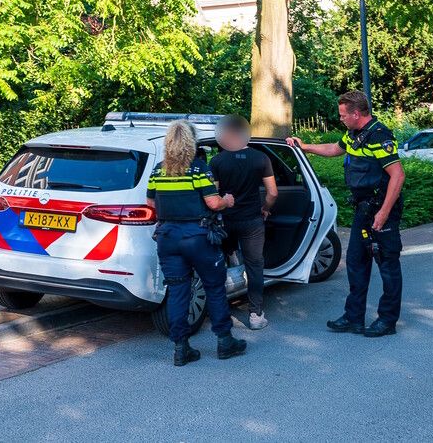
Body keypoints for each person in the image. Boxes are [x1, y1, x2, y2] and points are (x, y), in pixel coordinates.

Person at [286, 90, 406, 337]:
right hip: (363, 209)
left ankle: (387, 320)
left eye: (343, 115)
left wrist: (383, 213)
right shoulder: (354, 134)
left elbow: (398, 175)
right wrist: (304, 146)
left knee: (388, 266)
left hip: (381, 210)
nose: (340, 119)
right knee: (355, 263)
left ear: (356, 113)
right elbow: (334, 148)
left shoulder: (378, 135)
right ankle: (354, 317)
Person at [147, 120, 247, 365]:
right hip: (198, 237)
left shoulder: (158, 171)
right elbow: (213, 203)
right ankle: (225, 341)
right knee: (214, 288)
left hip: (168, 238)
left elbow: (151, 204)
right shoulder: (198, 169)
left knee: (178, 290)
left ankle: (181, 348)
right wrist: (228, 201)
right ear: (191, 143)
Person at [210, 115, 278, 330]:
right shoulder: (261, 158)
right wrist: (265, 208)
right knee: (255, 265)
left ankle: (221, 312)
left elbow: (214, 194)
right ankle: (256, 315)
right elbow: (273, 192)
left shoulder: (217, 161)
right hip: (252, 221)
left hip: (226, 220)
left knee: (219, 264)